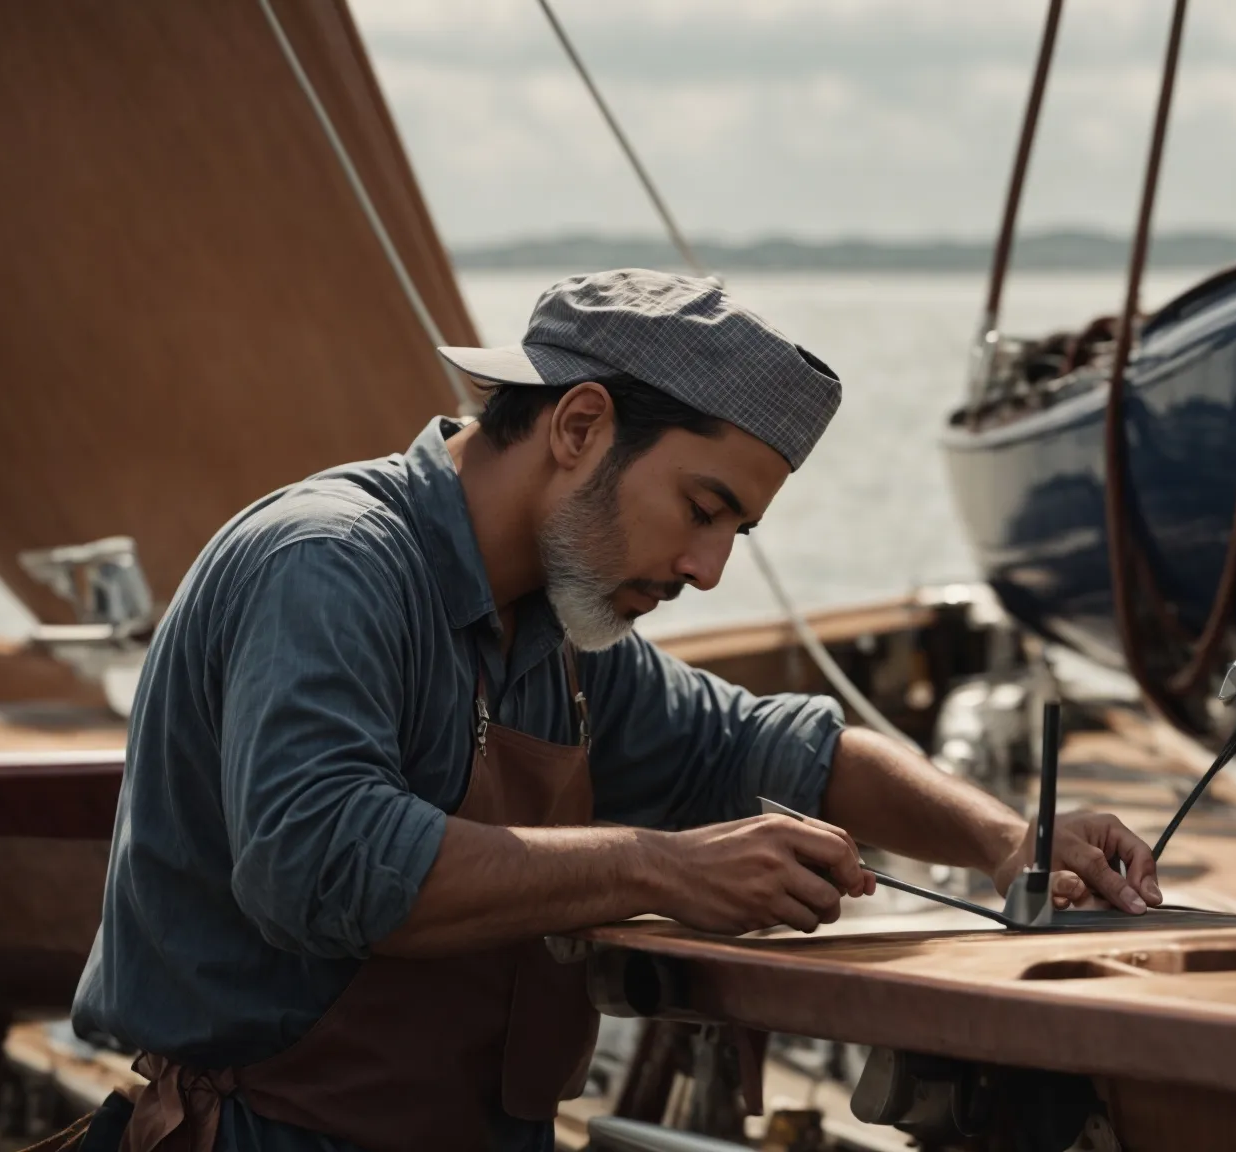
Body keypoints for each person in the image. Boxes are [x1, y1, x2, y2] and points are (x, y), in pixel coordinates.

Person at [67, 269, 1161, 1152]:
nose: (707, 569)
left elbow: (768, 745)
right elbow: (320, 860)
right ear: (580, 426)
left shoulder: (559, 631)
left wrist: (1006, 838)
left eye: (737, 533)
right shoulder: (329, 566)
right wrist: (659, 867)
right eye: (701, 509)